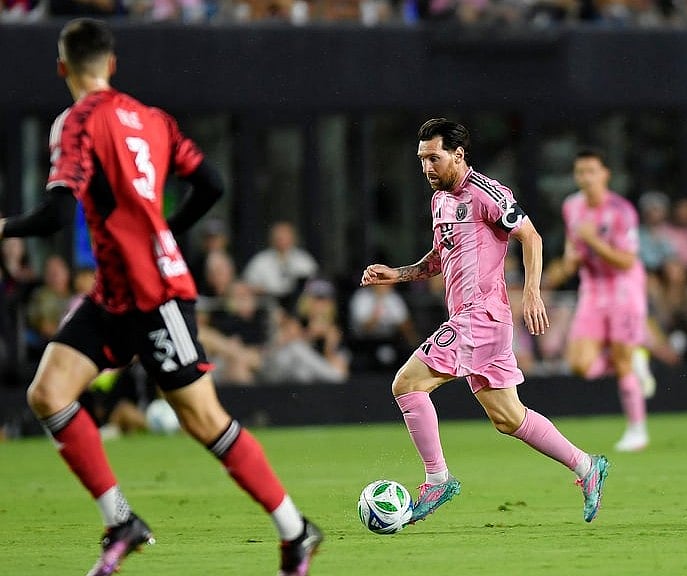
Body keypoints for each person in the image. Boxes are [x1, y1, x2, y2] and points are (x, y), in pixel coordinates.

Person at [0, 19, 321, 576]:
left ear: (62, 68)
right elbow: (212, 183)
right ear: (113, 64)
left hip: (155, 295)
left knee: (203, 419)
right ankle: (121, 520)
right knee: (49, 393)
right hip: (115, 294)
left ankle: (296, 530)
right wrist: (168, 229)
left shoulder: (76, 123)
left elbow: (56, 212)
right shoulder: (153, 120)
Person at [360, 118, 609, 525]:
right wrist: (398, 274)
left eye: (434, 158)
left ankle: (437, 479)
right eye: (422, 160)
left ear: (458, 155)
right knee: (508, 417)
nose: (426, 168)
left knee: (406, 384)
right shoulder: (440, 200)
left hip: (482, 316)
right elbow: (440, 259)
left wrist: (531, 292)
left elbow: (532, 237)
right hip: (472, 318)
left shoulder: (486, 193)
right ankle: (586, 466)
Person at [545, 148, 652, 452]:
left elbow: (628, 261)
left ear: (605, 174)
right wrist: (568, 261)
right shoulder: (572, 206)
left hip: (623, 288)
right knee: (579, 364)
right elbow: (572, 243)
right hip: (593, 289)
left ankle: (637, 430)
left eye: (591, 171)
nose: (585, 178)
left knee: (621, 364)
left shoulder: (621, 211)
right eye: (580, 172)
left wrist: (593, 240)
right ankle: (631, 359)